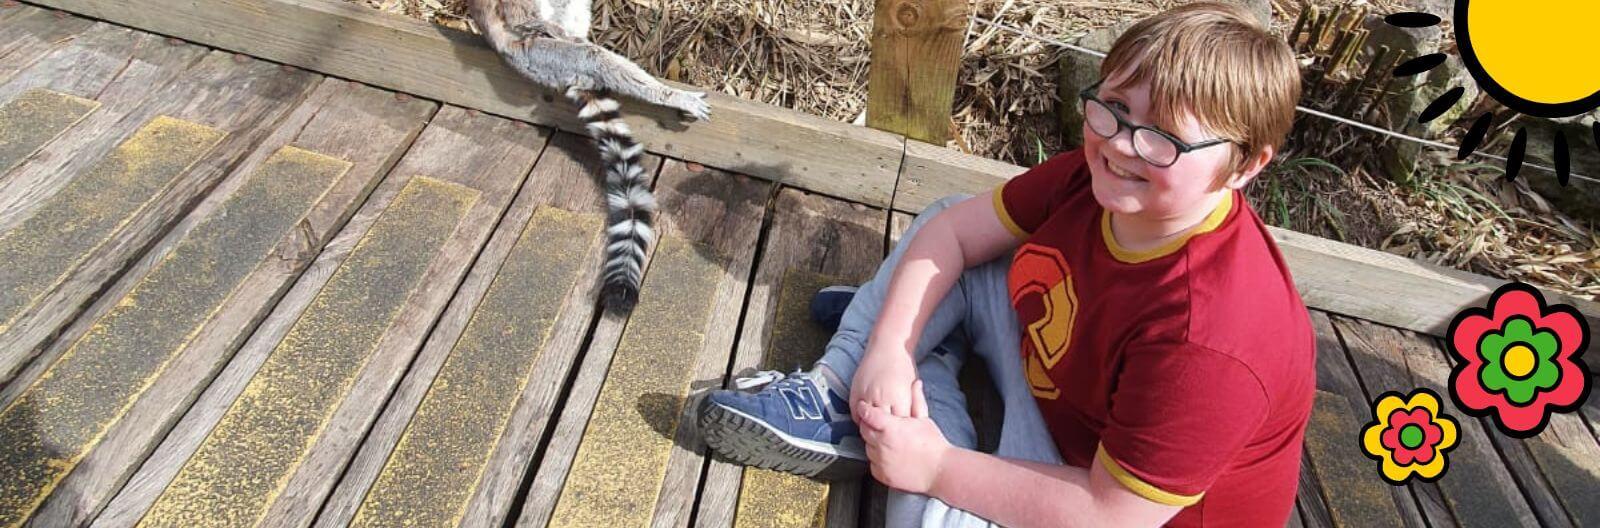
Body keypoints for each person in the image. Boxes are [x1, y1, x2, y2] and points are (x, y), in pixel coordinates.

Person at [694, 2, 1315, 526]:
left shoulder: (1214, 340)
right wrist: (887, 346)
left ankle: (911, 388)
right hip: (1059, 389)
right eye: (1115, 107)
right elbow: (953, 232)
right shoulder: (1094, 178)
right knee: (953, 228)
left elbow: (1111, 513)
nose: (1122, 145)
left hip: (1094, 496)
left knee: (929, 481)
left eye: (1165, 138)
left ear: (1245, 165)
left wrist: (935, 466)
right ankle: (848, 386)